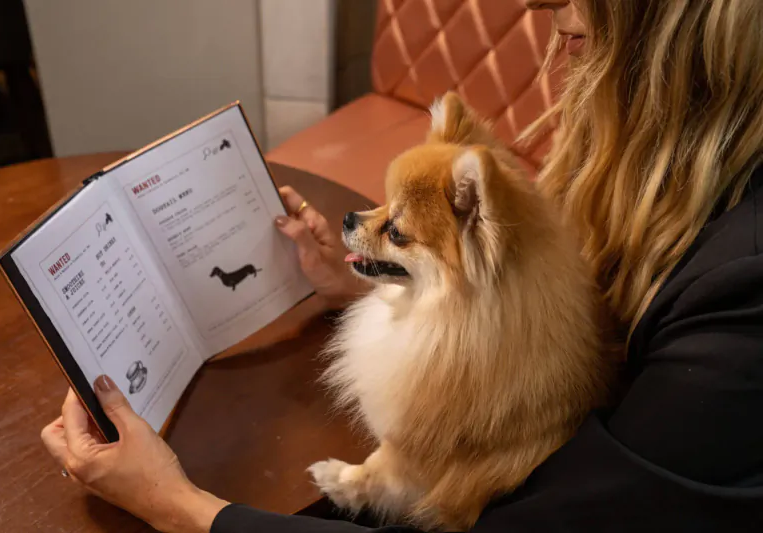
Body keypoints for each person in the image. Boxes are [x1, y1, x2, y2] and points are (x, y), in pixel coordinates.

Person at [41, 1, 763, 531]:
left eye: (581, 3)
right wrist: (357, 286)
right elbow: (511, 313)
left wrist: (181, 507)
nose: (541, 9)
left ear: (683, 30)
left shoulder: (743, 299)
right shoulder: (657, 176)